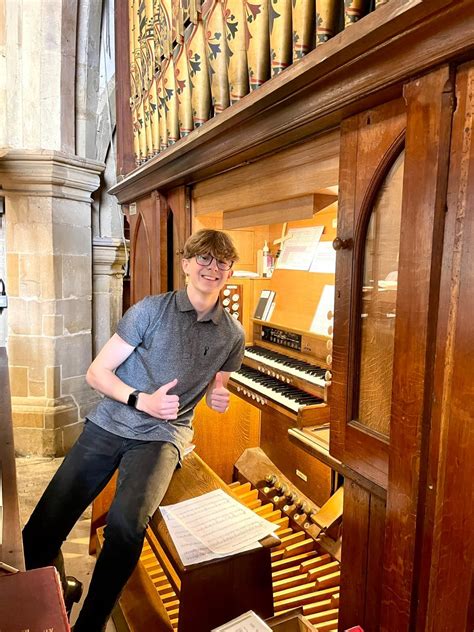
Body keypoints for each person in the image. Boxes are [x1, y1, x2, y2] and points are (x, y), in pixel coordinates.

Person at [22, 229, 245, 632]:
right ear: (186, 264)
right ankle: (56, 595)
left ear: (231, 270)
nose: (212, 268)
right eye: (204, 259)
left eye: (222, 262)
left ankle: (90, 623)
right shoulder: (150, 311)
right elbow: (97, 373)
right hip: (111, 422)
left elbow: (221, 383)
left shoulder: (232, 334)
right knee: (40, 530)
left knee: (126, 527)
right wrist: (141, 400)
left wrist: (218, 396)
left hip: (164, 437)